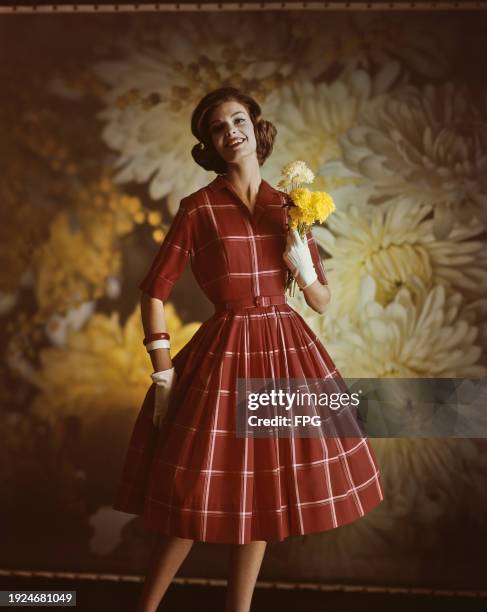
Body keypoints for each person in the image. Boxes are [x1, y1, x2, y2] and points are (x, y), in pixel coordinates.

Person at [113, 87, 384, 612]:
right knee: (192, 494)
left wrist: (304, 271)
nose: (230, 131)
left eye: (238, 120)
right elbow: (153, 292)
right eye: (217, 127)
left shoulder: (290, 207)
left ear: (255, 128)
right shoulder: (199, 208)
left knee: (260, 493)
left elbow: (322, 301)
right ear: (210, 144)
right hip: (227, 352)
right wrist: (164, 377)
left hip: (286, 350)